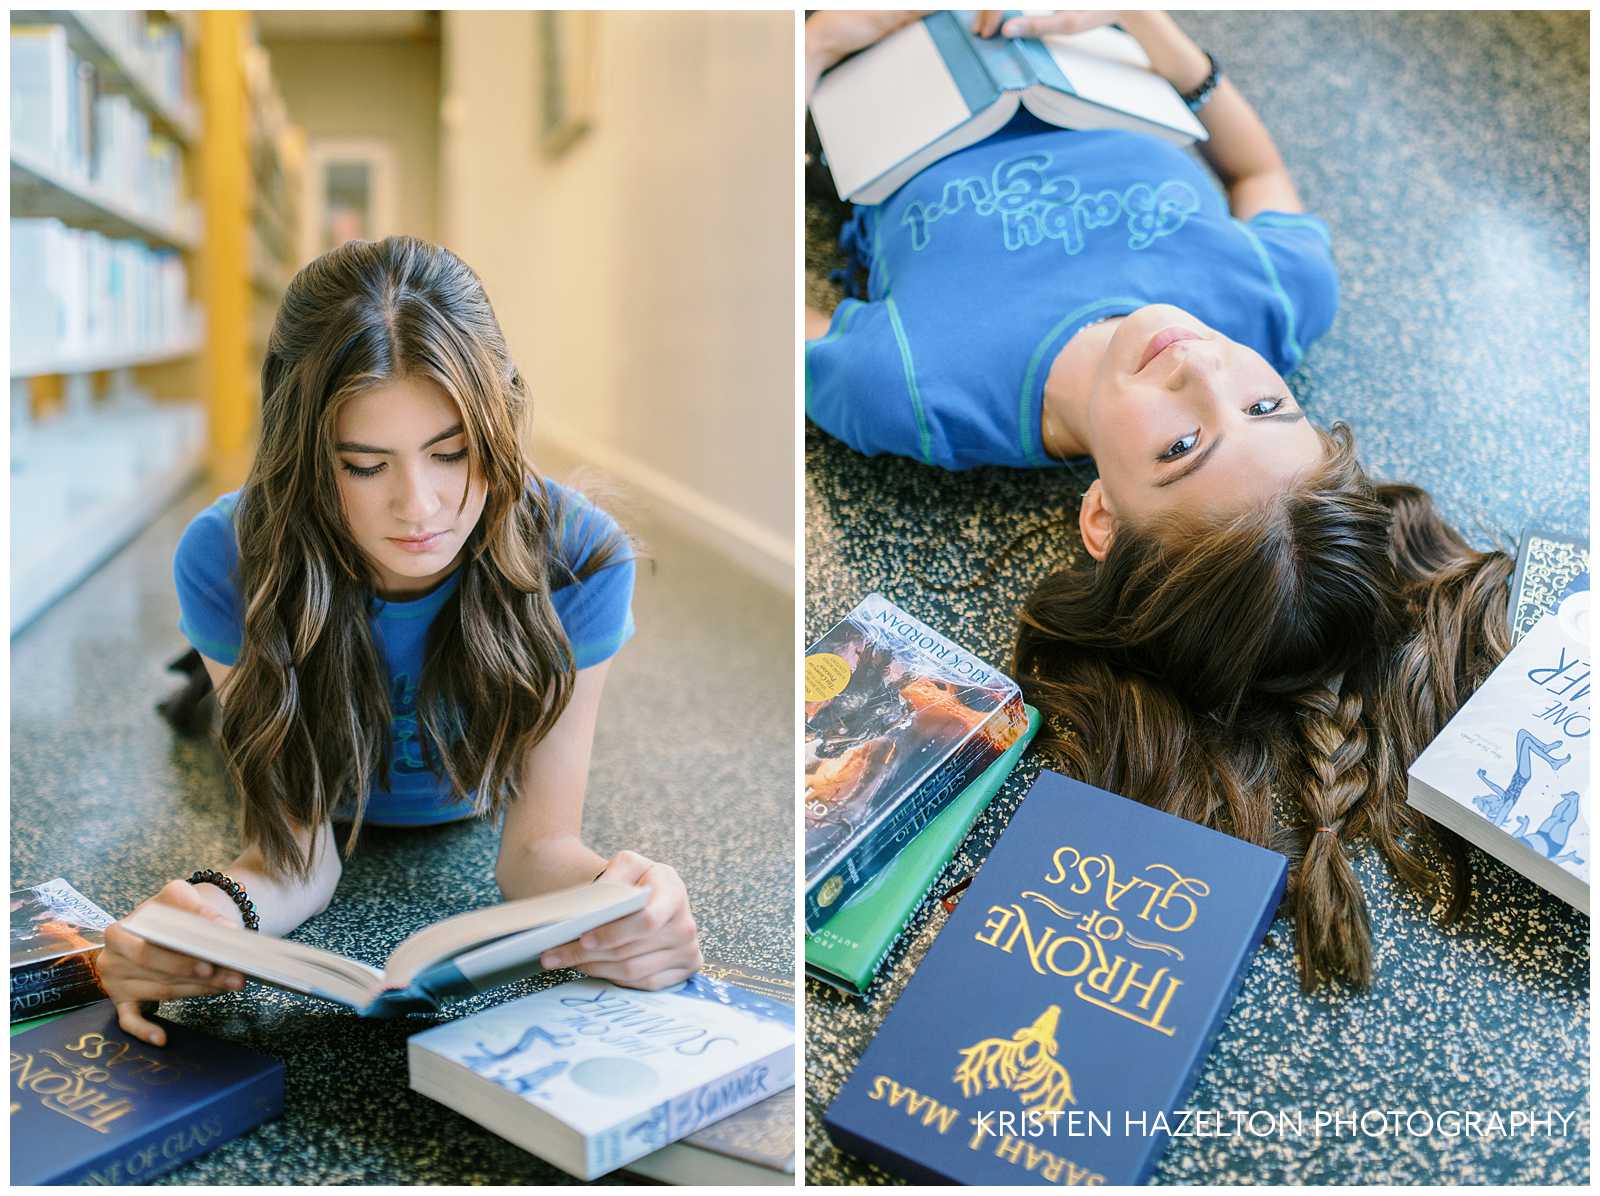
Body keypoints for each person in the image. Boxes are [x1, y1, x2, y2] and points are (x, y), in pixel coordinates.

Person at [806, 13, 1514, 989]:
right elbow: (1259, 176)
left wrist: (801, 56)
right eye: (1268, 404)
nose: (1202, 370)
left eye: (1181, 448)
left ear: (1101, 518)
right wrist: (1153, 28)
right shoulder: (1277, 297)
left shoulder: (916, 389)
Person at [99, 236, 702, 1046]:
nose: (419, 509)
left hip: (471, 802)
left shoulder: (579, 557)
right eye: (363, 466)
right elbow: (291, 859)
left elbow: (538, 851)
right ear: (305, 456)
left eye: (451, 453)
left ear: (499, 426)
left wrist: (629, 903)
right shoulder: (226, 556)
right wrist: (204, 917)